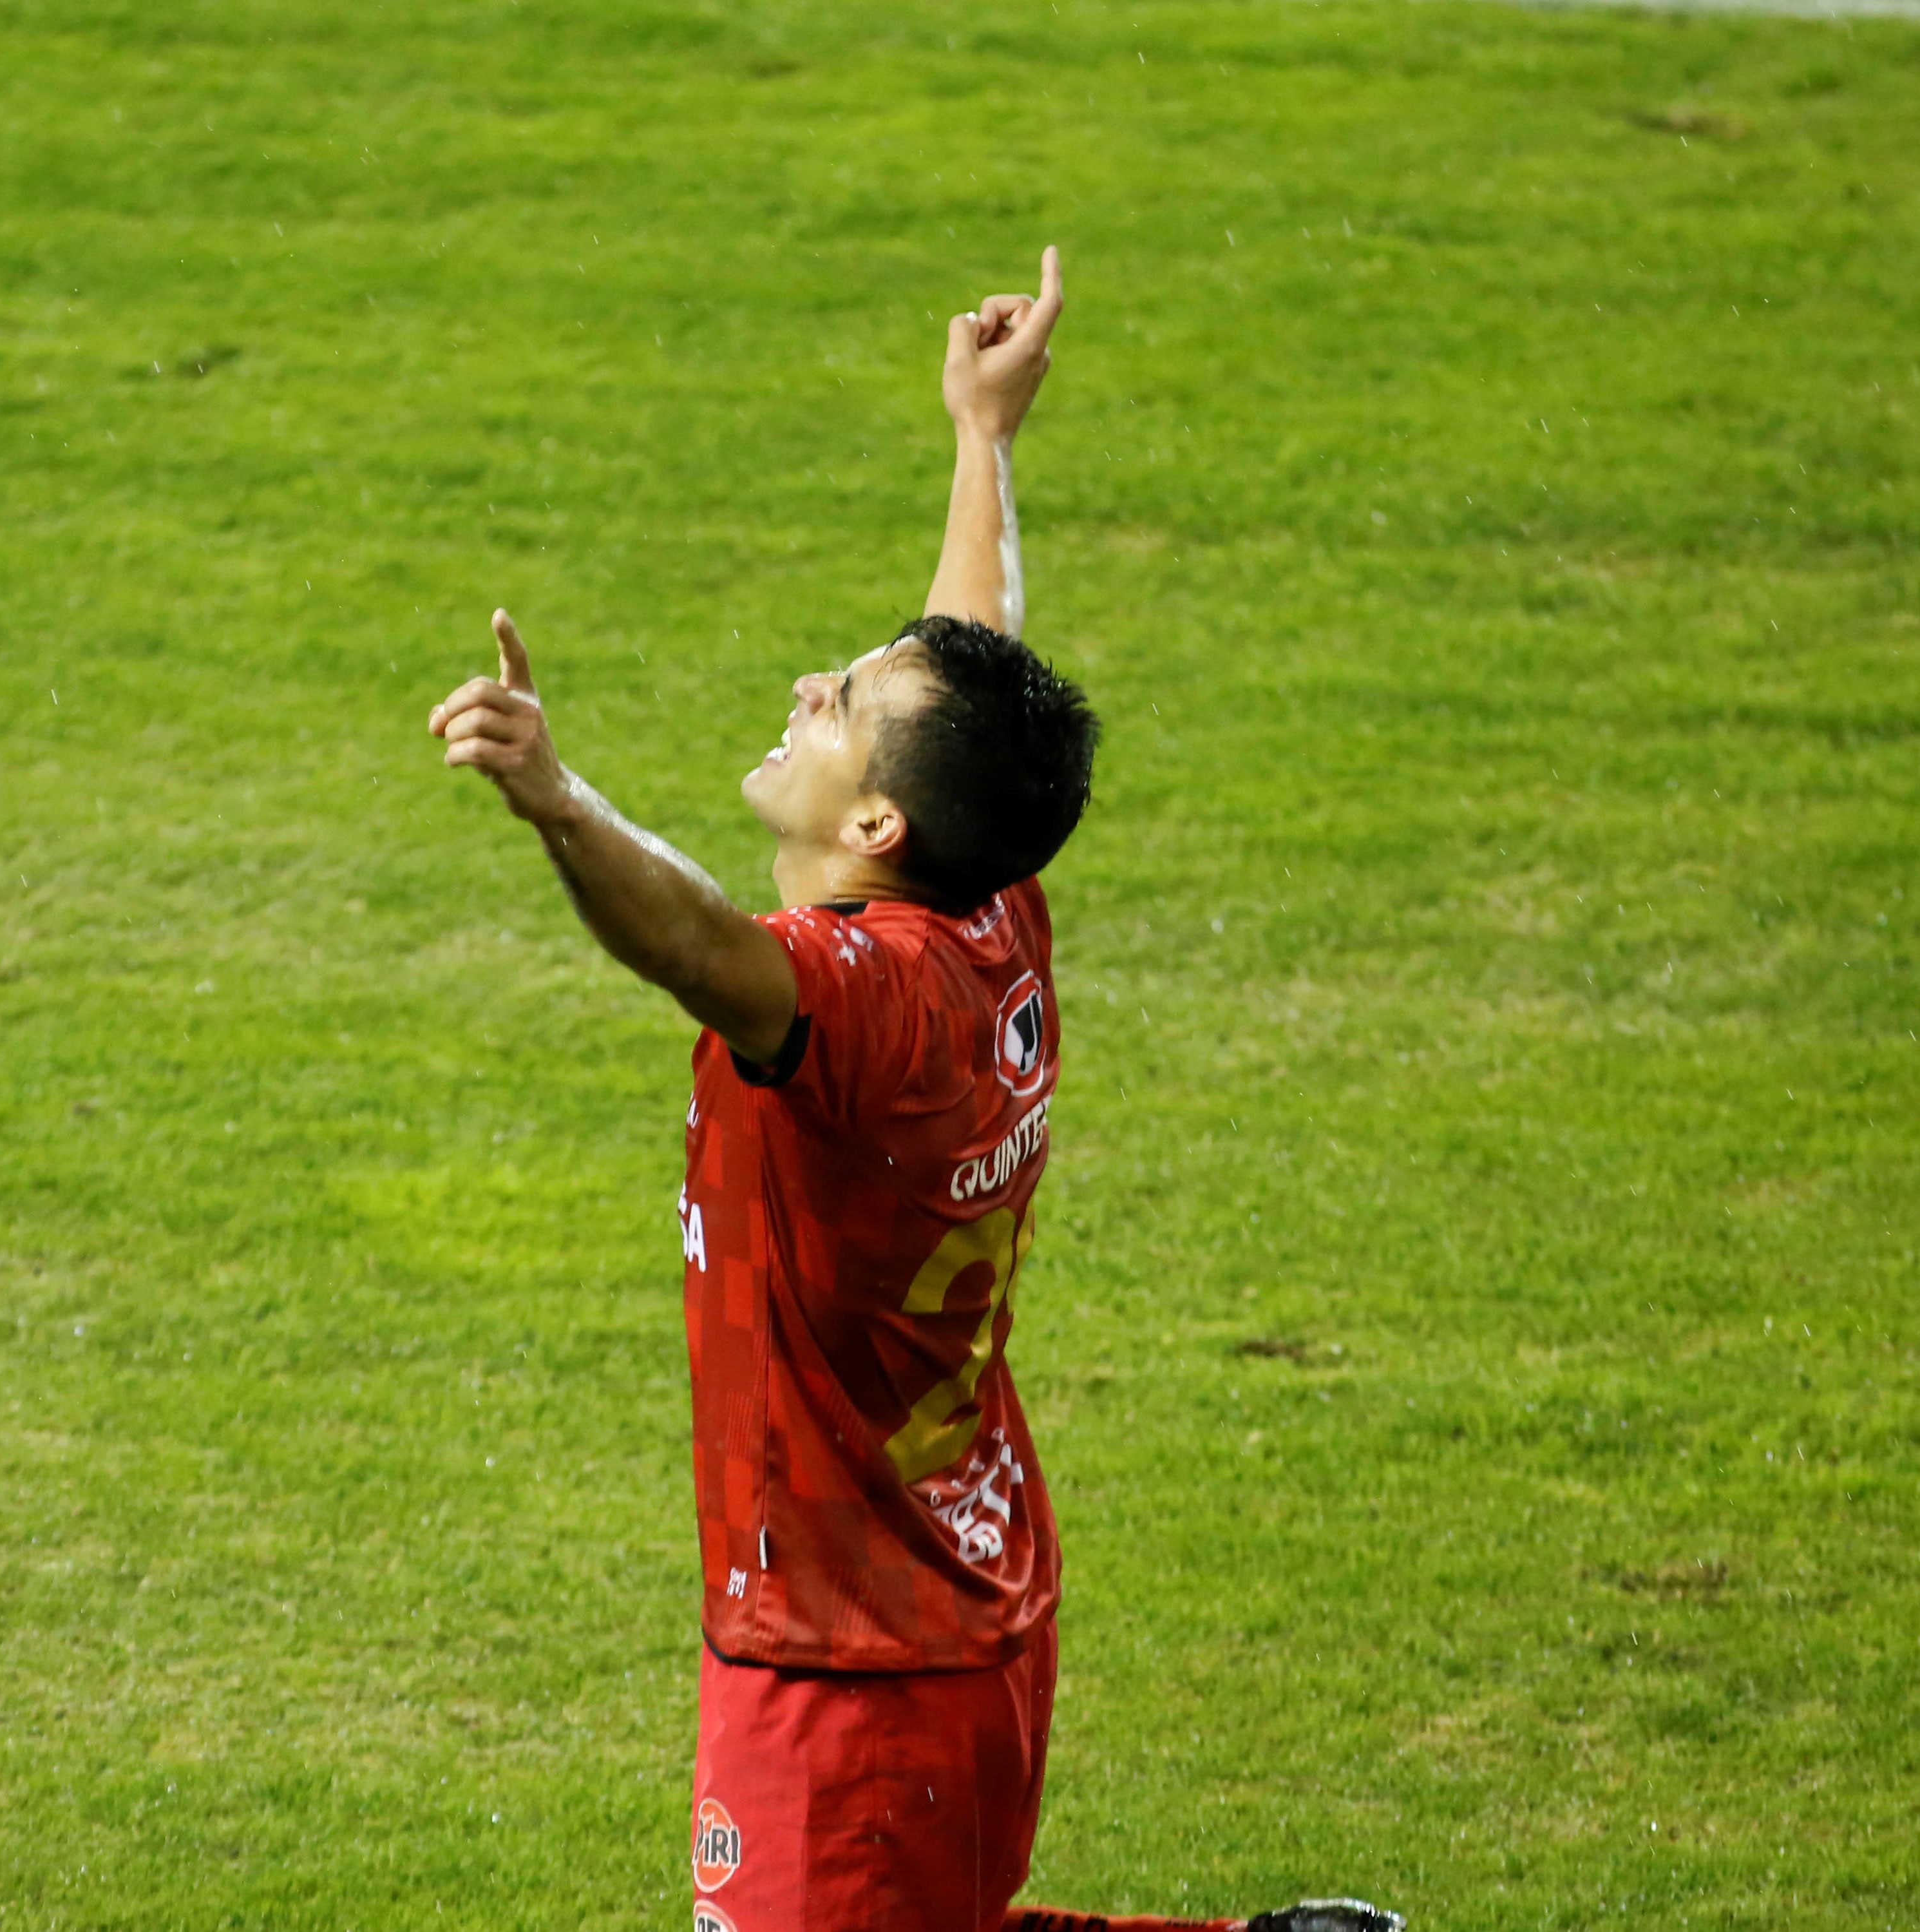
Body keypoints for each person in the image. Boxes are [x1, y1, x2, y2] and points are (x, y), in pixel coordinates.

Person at [427, 248, 1401, 1932]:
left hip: (851, 1666)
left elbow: (697, 946)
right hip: (965, 1590)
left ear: (878, 825)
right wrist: (980, 438)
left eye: (844, 705)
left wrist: (559, 803)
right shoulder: (988, 906)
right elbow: (969, 663)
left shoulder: (866, 1005)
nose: (814, 687)